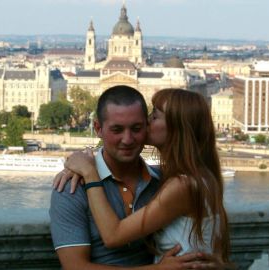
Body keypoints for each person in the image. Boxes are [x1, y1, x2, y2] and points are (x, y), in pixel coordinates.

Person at [50, 86, 217, 270]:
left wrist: (90, 174)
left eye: (138, 127)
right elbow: (74, 267)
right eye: (117, 129)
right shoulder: (72, 186)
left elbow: (113, 235)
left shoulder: (171, 183)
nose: (127, 139)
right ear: (98, 128)